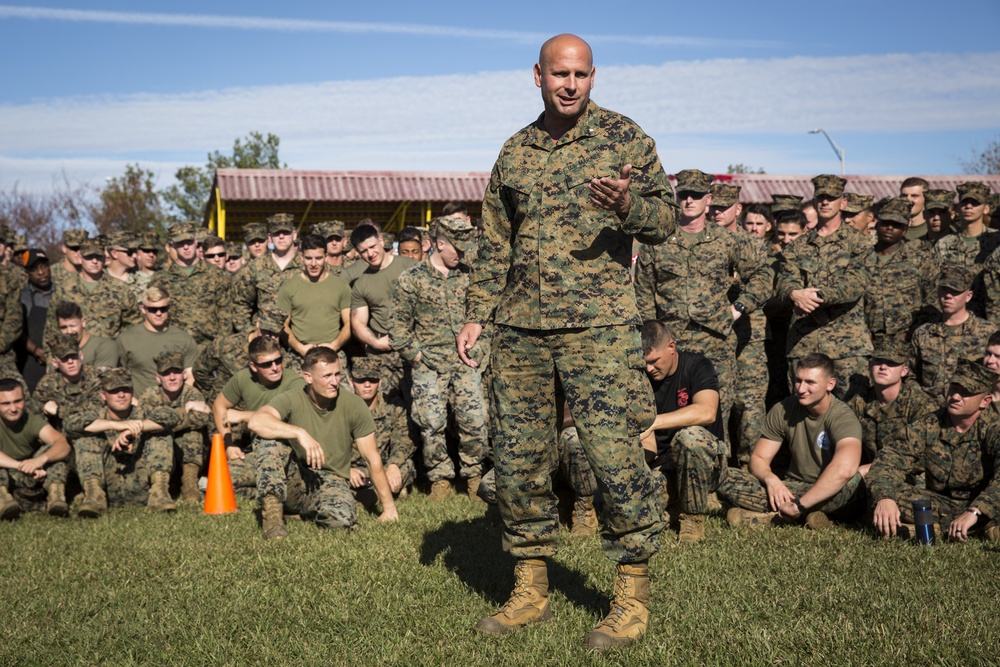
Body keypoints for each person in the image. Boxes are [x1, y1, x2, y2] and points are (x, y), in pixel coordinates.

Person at [458, 34, 676, 650]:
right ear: (538, 77)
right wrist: (478, 313)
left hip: (598, 328)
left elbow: (665, 221)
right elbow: (494, 240)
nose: (571, 84)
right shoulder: (516, 150)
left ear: (594, 76)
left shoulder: (625, 138)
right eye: (560, 74)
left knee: (613, 457)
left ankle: (631, 595)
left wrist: (632, 204)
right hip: (521, 329)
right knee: (520, 458)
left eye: (581, 74)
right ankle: (530, 589)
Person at [635, 168, 771, 453]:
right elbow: (644, 294)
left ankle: (716, 474)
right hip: (672, 344)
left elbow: (762, 275)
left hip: (715, 341)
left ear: (708, 200)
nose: (689, 201)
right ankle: (669, 468)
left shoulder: (728, 240)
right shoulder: (657, 241)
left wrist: (738, 309)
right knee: (668, 404)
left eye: (696, 195)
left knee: (716, 411)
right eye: (683, 195)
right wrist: (649, 338)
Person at [248, 346, 398, 539]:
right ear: (308, 377)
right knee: (268, 441)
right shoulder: (293, 398)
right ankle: (273, 519)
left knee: (342, 521)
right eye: (327, 376)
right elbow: (256, 421)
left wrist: (389, 508)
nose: (334, 382)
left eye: (337, 374)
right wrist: (299, 433)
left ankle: (302, 514)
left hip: (331, 480)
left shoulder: (353, 404)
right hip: (297, 477)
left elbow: (371, 457)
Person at [389, 216, 487, 501]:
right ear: (439, 244)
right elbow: (397, 328)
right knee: (431, 424)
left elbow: (485, 319)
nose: (462, 253)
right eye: (457, 247)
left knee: (475, 420)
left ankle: (473, 475)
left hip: (465, 363)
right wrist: (417, 358)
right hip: (428, 365)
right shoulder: (412, 279)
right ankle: (440, 478)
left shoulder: (471, 276)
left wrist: (479, 352)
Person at [723, 353, 864, 530]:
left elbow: (844, 470)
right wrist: (771, 479)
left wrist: (799, 505)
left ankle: (774, 516)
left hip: (832, 490)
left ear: (830, 384)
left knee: (853, 487)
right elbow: (758, 458)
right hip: (793, 487)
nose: (801, 388)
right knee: (725, 476)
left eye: (810, 382)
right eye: (798, 380)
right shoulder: (784, 408)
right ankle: (816, 517)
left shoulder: (843, 417)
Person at [868, 358, 1000, 542]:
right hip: (940, 504)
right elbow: (890, 459)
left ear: (985, 401)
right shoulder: (929, 424)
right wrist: (885, 499)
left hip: (982, 504)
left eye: (965, 393)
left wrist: (976, 511)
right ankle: (969, 529)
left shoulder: (994, 427)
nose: (955, 397)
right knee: (882, 492)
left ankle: (948, 527)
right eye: (954, 388)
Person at [775, 174, 875, 397]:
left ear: (843, 202)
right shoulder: (797, 246)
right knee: (803, 416)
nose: (826, 202)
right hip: (805, 343)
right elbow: (783, 281)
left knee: (849, 415)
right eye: (821, 197)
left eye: (832, 198)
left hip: (847, 348)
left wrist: (814, 295)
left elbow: (855, 284)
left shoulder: (859, 243)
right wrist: (793, 293)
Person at [638, 321, 724, 542]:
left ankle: (692, 518)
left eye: (654, 361)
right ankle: (672, 509)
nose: (649, 369)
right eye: (644, 363)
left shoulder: (697, 365)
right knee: (638, 513)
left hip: (706, 463)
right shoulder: (641, 378)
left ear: (671, 347)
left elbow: (707, 411)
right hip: (666, 464)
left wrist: (655, 422)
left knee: (689, 437)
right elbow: (648, 444)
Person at [65, 367, 180, 516]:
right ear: (103, 395)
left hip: (141, 484)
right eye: (114, 391)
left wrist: (135, 428)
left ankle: (160, 494)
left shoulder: (143, 412)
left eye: (125, 390)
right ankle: (94, 497)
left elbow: (172, 416)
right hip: (109, 485)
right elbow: (70, 424)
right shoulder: (96, 415)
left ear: (132, 392)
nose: (121, 395)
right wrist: (114, 425)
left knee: (160, 433)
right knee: (86, 437)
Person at [213, 335, 304, 497]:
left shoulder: (295, 382)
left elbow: (286, 421)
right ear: (253, 367)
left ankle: (284, 493)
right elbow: (219, 405)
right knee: (220, 481)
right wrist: (229, 444)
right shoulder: (243, 378)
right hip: (259, 452)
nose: (275, 367)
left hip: (290, 453)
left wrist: (243, 416)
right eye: (267, 364)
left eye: (278, 360)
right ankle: (270, 491)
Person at [845, 338, 937, 471]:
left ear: (904, 371)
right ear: (870, 366)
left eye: (891, 363)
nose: (883, 367)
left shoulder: (921, 406)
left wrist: (872, 469)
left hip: (908, 477)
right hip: (866, 473)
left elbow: (923, 459)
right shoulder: (860, 401)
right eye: (878, 361)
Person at [912, 264, 997, 400]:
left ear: (968, 296)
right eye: (944, 290)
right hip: (931, 411)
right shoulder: (923, 334)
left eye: (955, 291)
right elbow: (911, 376)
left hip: (971, 411)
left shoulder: (987, 332)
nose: (948, 296)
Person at [350, 224, 417, 396]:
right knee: (384, 410)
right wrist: (376, 343)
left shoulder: (411, 267)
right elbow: (358, 322)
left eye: (372, 247)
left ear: (381, 240)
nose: (370, 254)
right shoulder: (361, 283)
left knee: (419, 410)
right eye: (364, 251)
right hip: (382, 356)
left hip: (414, 349)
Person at [138, 348, 212, 503]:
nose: (172, 377)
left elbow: (200, 419)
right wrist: (184, 411)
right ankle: (161, 488)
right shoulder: (149, 395)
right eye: (166, 373)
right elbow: (147, 422)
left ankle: (190, 484)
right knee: (159, 436)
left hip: (187, 454)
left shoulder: (191, 393)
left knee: (193, 433)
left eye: (176, 372)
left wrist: (164, 422)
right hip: (158, 454)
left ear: (184, 375)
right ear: (158, 378)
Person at [44, 237, 140, 354]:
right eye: (89, 257)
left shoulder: (121, 289)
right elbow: (51, 329)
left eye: (98, 257)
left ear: (104, 258)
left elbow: (134, 326)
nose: (94, 261)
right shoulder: (64, 290)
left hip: (109, 359)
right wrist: (51, 360)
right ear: (80, 258)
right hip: (72, 359)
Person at [864, 197, 940, 342]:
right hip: (867, 341)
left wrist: (915, 332)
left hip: (908, 340)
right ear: (877, 224)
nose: (890, 228)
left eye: (896, 225)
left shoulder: (921, 260)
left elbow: (932, 301)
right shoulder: (861, 259)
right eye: (886, 223)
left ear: (905, 230)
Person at [150, 222, 233, 345]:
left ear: (195, 241)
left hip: (209, 347)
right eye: (180, 243)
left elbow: (225, 315)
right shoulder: (160, 279)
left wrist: (220, 347)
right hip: (173, 346)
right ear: (172, 245)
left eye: (188, 242)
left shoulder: (217, 275)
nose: (185, 247)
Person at [347, 356, 416, 504]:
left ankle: (372, 493)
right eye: (360, 380)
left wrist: (394, 464)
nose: (367, 385)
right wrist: (345, 469)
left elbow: (404, 439)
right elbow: (331, 446)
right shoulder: (342, 407)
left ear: (380, 381)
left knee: (407, 465)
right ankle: (380, 491)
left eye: (372, 380)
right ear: (351, 382)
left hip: (383, 467)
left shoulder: (393, 406)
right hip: (354, 470)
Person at [0, 377, 71, 518]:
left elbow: (63, 443)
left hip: (29, 475)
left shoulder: (31, 421)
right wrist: (22, 465)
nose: (13, 408)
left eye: (17, 401)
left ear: (25, 399)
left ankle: (56, 497)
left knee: (54, 454)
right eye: (5, 404)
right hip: (8, 474)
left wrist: (40, 460)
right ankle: (2, 500)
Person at [276, 234, 352, 364]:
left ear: (326, 257)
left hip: (333, 355)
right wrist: (300, 348)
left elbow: (349, 324)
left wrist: (334, 346)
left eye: (318, 258)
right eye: (308, 258)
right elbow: (282, 325)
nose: (313, 264)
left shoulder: (341, 286)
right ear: (301, 258)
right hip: (299, 357)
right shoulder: (289, 287)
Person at [116, 286, 199, 396]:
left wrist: (182, 400)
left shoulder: (184, 339)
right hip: (139, 406)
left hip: (175, 405)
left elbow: (190, 376)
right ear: (143, 309)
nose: (158, 313)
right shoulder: (126, 339)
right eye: (153, 309)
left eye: (163, 309)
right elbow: (119, 378)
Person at [934, 181, 998, 319]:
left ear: (986, 208)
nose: (968, 207)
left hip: (989, 320)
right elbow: (934, 285)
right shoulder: (944, 244)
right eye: (964, 203)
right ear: (958, 208)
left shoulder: (996, 242)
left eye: (975, 203)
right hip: (953, 321)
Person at [232, 214, 303, 332]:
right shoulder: (256, 267)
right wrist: (250, 333)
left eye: (285, 232)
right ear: (269, 238)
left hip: (299, 338)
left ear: (294, 235)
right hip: (265, 340)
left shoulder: (306, 265)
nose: (281, 236)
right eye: (276, 233)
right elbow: (241, 305)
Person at [30, 332, 101, 431]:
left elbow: (96, 412)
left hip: (90, 434)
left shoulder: (95, 377)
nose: (70, 362)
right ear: (55, 363)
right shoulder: (47, 384)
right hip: (60, 437)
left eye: (74, 356)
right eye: (65, 358)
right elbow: (33, 418)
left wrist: (59, 411)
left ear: (81, 356)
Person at [17, 249, 52, 391]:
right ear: (26, 273)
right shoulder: (21, 298)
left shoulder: (63, 293)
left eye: (44, 267)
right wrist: (37, 351)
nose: (41, 272)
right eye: (34, 269)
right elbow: (16, 331)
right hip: (31, 365)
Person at [55, 301, 119, 371]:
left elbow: (102, 379)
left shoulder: (105, 347)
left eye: (73, 326)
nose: (69, 331)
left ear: (83, 322)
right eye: (64, 327)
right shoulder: (58, 353)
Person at [900, 176, 929, 242]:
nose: (908, 200)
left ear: (926, 199)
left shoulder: (934, 230)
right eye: (904, 196)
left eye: (914, 196)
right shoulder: (890, 229)